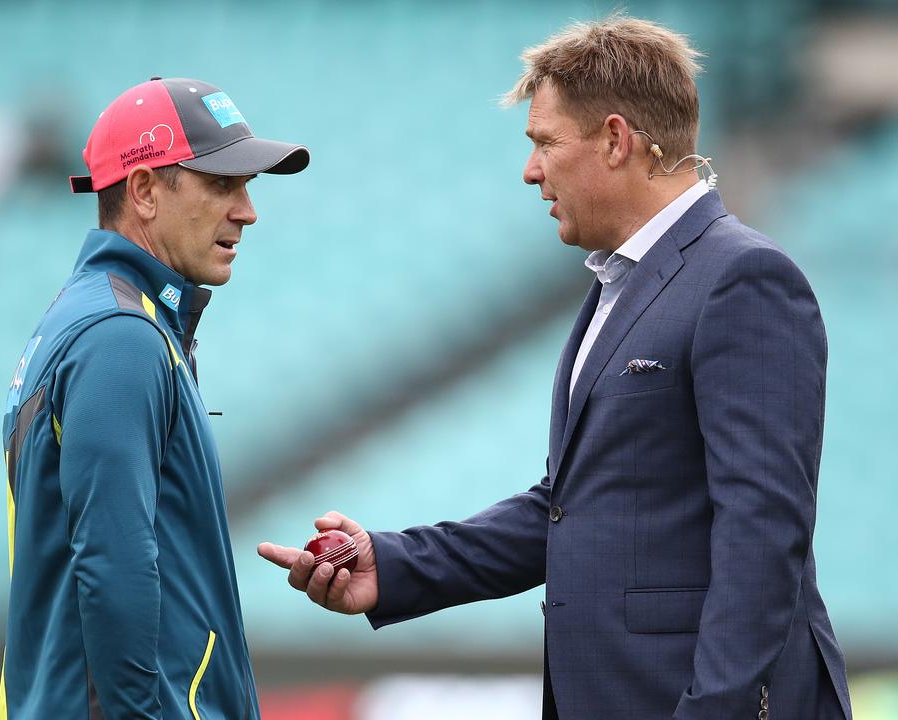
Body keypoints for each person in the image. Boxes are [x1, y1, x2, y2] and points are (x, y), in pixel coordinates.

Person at [258, 17, 853, 720]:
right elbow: (571, 509)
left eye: (544, 142)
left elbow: (763, 529)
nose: (530, 169)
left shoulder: (743, 278)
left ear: (614, 140)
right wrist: (392, 566)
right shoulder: (621, 284)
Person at [0, 76, 308, 719]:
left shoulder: (105, 319)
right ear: (143, 191)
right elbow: (114, 564)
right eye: (223, 183)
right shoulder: (121, 337)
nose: (247, 209)